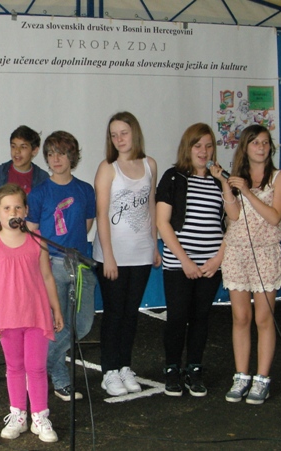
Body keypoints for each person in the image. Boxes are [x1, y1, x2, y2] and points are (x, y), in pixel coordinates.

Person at [0, 184, 63, 443]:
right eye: (6, 208)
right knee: (14, 367)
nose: (12, 212)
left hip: (36, 315)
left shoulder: (37, 242)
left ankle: (40, 416)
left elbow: (47, 277)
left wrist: (56, 309)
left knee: (36, 367)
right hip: (7, 317)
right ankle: (18, 415)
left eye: (17, 207)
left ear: (26, 210)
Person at [0, 125, 49, 386]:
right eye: (13, 146)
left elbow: (43, 214)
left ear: (34, 150)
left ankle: (28, 364)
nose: (17, 152)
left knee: (25, 311)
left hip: (24, 250)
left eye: (23, 147)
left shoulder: (42, 178)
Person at [217, 124, 281, 405]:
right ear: (245, 147)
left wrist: (247, 192)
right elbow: (233, 216)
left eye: (265, 142)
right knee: (241, 317)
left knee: (263, 318)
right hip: (237, 254)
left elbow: (274, 217)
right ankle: (241, 376)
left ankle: (262, 379)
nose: (261, 147)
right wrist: (227, 186)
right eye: (256, 142)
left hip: (265, 254)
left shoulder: (279, 178)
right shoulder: (238, 177)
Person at [93, 111, 161, 397]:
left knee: (131, 313)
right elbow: (102, 214)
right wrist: (109, 256)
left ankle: (124, 366)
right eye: (114, 135)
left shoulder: (150, 165)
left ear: (135, 133)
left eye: (124, 132)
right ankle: (109, 371)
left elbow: (152, 205)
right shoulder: (107, 168)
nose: (119, 139)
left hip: (141, 253)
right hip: (113, 255)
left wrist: (154, 244)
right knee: (114, 313)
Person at [26, 130, 97, 402]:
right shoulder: (39, 193)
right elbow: (32, 232)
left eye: (62, 153)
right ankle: (60, 380)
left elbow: (86, 225)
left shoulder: (85, 190)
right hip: (51, 265)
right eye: (51, 154)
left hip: (79, 264)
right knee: (55, 325)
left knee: (82, 324)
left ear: (72, 157)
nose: (56, 159)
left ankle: (38, 365)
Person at [156, 124, 226, 397]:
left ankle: (194, 368)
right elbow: (163, 223)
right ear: (188, 148)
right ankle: (172, 368)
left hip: (211, 265)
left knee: (201, 317)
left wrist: (218, 259)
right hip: (179, 264)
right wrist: (185, 261)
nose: (203, 151)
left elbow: (232, 223)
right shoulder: (173, 177)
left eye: (208, 146)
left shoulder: (219, 181)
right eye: (197, 146)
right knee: (177, 317)